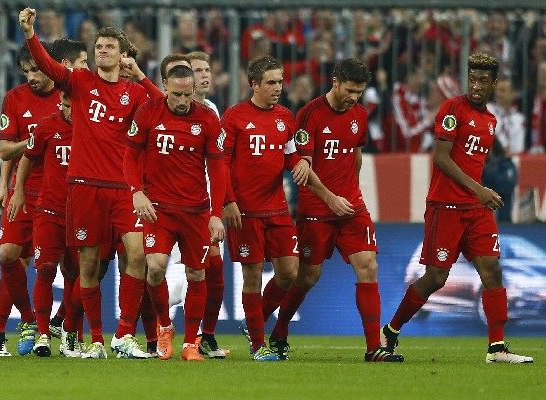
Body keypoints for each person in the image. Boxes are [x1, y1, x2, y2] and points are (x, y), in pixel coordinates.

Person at [20, 7, 161, 359]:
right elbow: (50, 66)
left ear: (122, 54)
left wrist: (141, 75)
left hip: (123, 189)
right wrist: (29, 34)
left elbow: (163, 108)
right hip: (83, 185)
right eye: (99, 45)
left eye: (110, 46)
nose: (102, 50)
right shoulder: (80, 82)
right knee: (88, 265)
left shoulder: (133, 93)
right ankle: (95, 339)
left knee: (138, 254)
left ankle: (123, 335)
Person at [380, 53, 534, 364]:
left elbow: (476, 166)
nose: (476, 86)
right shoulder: (452, 110)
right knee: (436, 277)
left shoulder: (490, 122)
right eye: (473, 79)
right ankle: (391, 330)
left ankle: (497, 348)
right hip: (446, 206)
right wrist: (480, 190)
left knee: (492, 270)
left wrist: (482, 192)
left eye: (483, 81)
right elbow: (441, 158)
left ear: (493, 84)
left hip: (475, 210)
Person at [269, 58, 405, 362]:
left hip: (350, 206)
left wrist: (352, 194)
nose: (353, 97)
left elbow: (355, 156)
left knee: (368, 266)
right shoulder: (310, 115)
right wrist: (330, 198)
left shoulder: (359, 114)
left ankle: (374, 348)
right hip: (317, 207)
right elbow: (302, 168)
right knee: (307, 277)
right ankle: (279, 331)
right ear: (335, 82)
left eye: (359, 91)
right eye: (349, 90)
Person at [222, 55, 349, 361]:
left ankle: (254, 321)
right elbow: (221, 164)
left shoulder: (285, 117)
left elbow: (292, 159)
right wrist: (227, 201)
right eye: (271, 82)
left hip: (277, 209)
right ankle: (257, 345)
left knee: (289, 273)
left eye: (280, 81)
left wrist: (321, 186)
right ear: (255, 84)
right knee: (252, 276)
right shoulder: (234, 117)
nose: (278, 87)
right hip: (246, 212)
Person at [124, 65, 226, 361]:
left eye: (187, 94)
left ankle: (191, 344)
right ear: (165, 85)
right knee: (154, 268)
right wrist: (136, 191)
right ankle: (165, 326)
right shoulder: (147, 112)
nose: (182, 100)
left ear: (193, 90)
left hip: (195, 211)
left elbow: (218, 170)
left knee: (196, 274)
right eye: (176, 93)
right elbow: (129, 156)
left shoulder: (207, 118)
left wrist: (215, 213)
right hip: (159, 209)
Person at [6, 39, 89, 357]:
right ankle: (42, 334)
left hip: (81, 210)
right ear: (60, 104)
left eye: (73, 104)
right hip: (48, 208)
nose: (69, 109)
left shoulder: (92, 129)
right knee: (44, 269)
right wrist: (16, 190)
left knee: (79, 273)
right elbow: (26, 157)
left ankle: (71, 333)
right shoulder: (46, 129)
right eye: (65, 104)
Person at [0, 41, 60, 357]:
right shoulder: (14, 99)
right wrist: (4, 186)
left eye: (36, 69)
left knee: (53, 266)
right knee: (8, 256)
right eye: (26, 71)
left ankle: (58, 328)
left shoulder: (69, 96)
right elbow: (6, 150)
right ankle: (26, 321)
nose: (31, 76)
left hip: (59, 193)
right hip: (24, 191)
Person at [186, 50, 228, 358]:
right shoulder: (165, 108)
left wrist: (223, 203)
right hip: (171, 204)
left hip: (204, 207)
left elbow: (218, 164)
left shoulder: (212, 111)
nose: (205, 75)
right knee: (159, 275)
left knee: (214, 271)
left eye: (207, 69)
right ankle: (152, 331)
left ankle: (207, 337)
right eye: (198, 70)